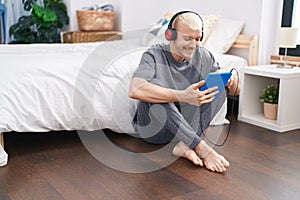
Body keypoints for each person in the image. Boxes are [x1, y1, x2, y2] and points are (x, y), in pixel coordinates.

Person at [128, 11, 240, 173]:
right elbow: (135, 89)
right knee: (155, 85)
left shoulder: (204, 56)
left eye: (197, 39)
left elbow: (235, 91)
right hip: (152, 130)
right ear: (170, 35)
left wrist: (233, 80)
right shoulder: (154, 54)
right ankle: (200, 146)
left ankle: (185, 143)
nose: (193, 45)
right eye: (187, 38)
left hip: (184, 129)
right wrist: (181, 96)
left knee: (217, 85)